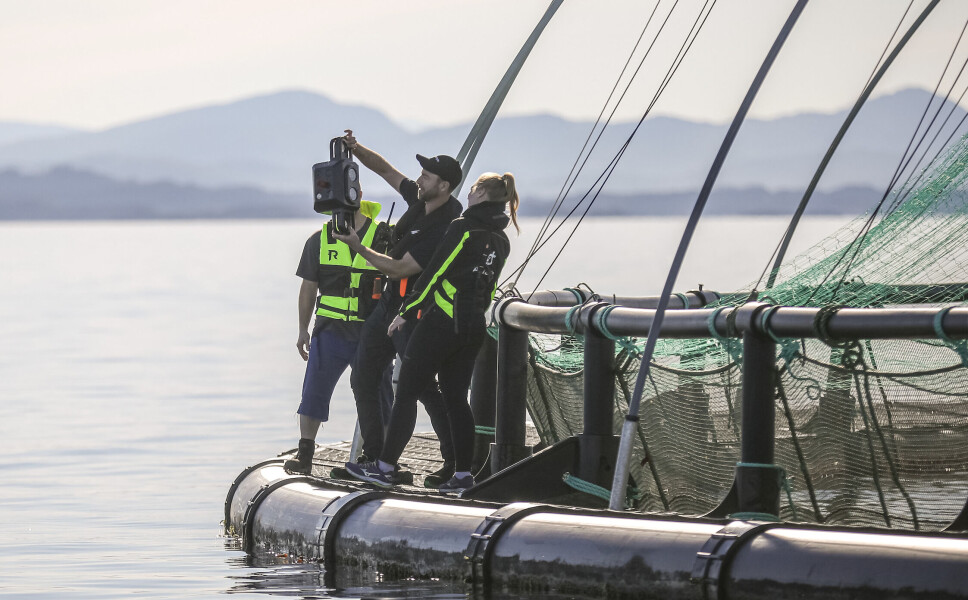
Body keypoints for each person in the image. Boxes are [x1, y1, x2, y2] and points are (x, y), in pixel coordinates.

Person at [345, 172, 519, 494]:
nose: (467, 194)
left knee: (407, 391)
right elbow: (488, 287)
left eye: (473, 189)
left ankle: (383, 467)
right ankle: (463, 476)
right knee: (455, 399)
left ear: (481, 194)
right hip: (473, 328)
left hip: (441, 324)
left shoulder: (462, 228)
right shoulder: (501, 239)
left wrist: (405, 312)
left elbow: (436, 273)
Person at [333, 130, 463, 486]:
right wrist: (355, 149)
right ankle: (375, 456)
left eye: (427, 177)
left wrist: (357, 247)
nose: (418, 180)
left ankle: (453, 460)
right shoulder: (422, 199)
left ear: (445, 186)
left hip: (415, 310)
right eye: (420, 175)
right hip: (388, 304)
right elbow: (387, 171)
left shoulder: (447, 224)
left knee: (421, 388)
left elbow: (399, 267)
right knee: (362, 377)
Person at [283, 197, 392, 475]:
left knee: (380, 394)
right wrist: (302, 329)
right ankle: (305, 454)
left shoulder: (383, 237)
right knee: (314, 391)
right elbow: (308, 288)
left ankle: (382, 457)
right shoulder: (318, 241)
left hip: (371, 331)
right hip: (329, 330)